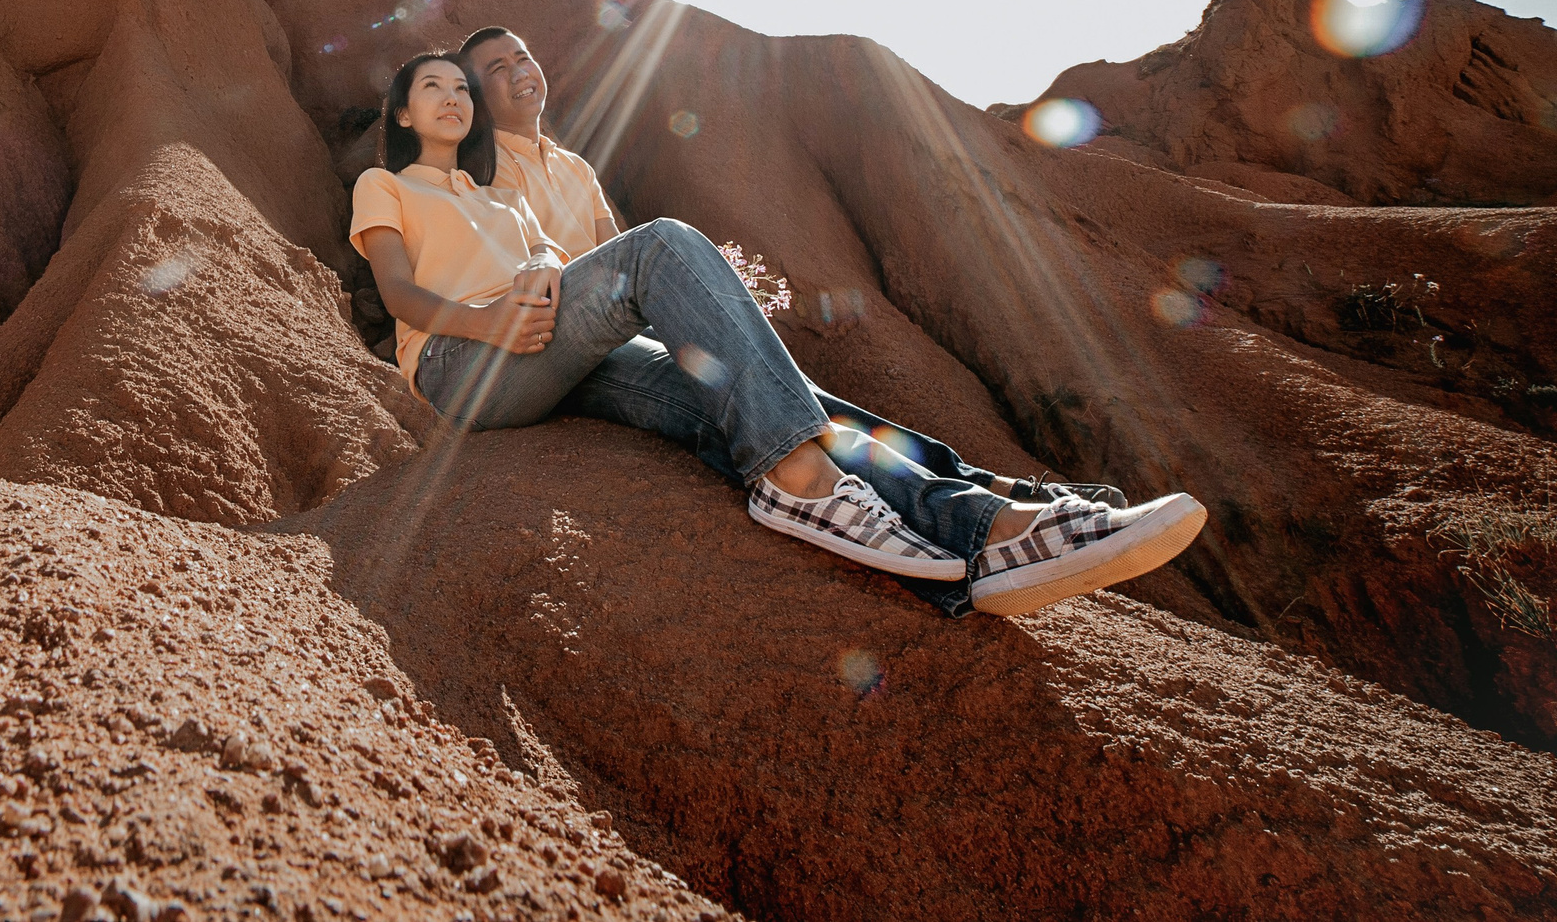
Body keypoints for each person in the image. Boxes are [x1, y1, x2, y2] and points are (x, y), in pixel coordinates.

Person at [351, 47, 1207, 617]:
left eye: (462, 87)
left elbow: (548, 257)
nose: (456, 96)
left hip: (556, 359)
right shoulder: (385, 185)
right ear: (402, 112)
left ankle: (990, 529)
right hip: (465, 365)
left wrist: (539, 277)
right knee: (662, 248)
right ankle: (796, 482)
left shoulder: (501, 196)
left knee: (767, 396)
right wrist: (490, 320)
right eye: (439, 86)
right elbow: (398, 290)